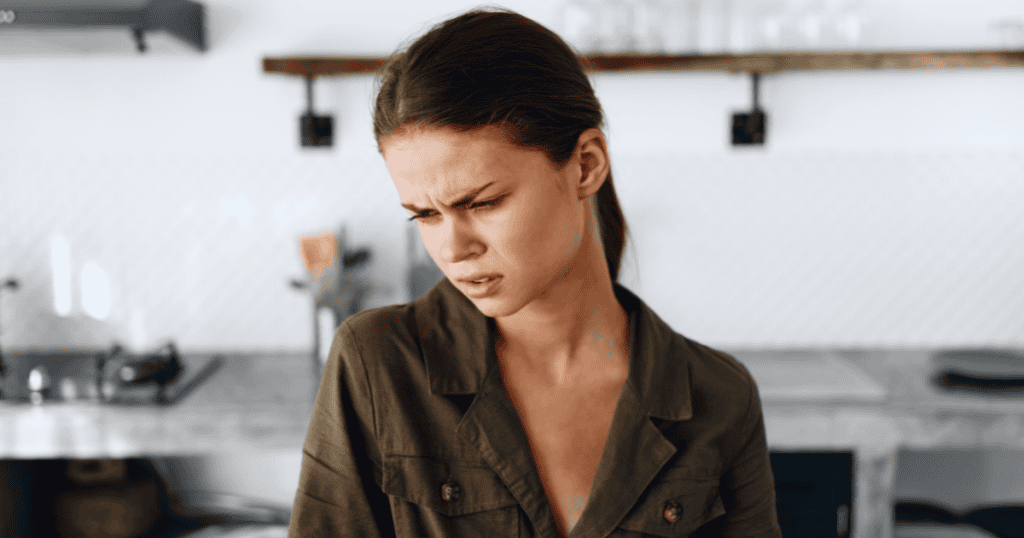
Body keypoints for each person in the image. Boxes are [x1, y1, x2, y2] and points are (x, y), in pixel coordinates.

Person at [288, 8, 782, 538]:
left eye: (484, 202)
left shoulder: (717, 398)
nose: (453, 248)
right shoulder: (376, 366)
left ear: (586, 165)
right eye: (425, 215)